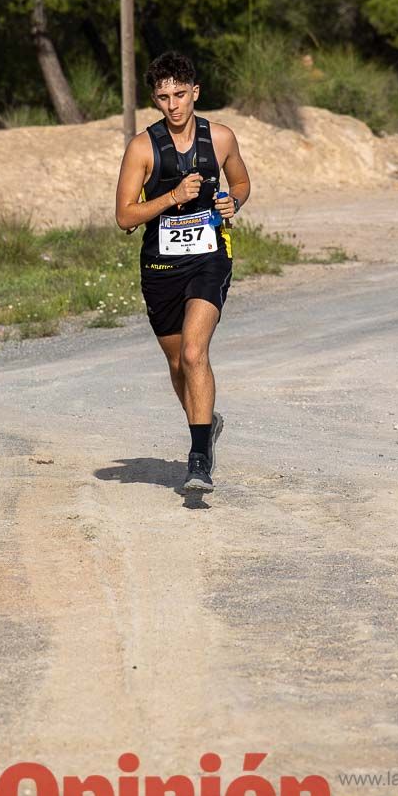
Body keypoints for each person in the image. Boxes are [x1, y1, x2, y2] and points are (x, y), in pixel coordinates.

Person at [115, 52, 251, 492]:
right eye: (162, 97)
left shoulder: (222, 138)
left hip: (210, 255)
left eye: (179, 94)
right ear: (154, 101)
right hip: (160, 265)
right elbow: (124, 216)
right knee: (178, 363)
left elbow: (242, 183)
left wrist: (234, 201)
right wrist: (172, 196)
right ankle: (205, 424)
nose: (172, 105)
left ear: (195, 93)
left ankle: (198, 459)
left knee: (195, 352)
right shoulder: (142, 147)